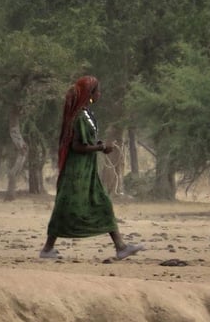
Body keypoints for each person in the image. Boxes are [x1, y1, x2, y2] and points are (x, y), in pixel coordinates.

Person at [40, 75, 144, 260]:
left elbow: (84, 141)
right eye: (97, 91)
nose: (100, 94)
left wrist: (98, 145)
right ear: (90, 94)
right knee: (69, 206)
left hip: (87, 170)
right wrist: (102, 147)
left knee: (96, 203)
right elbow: (77, 146)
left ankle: (120, 246)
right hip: (77, 171)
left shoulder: (85, 114)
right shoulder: (79, 117)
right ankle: (48, 249)